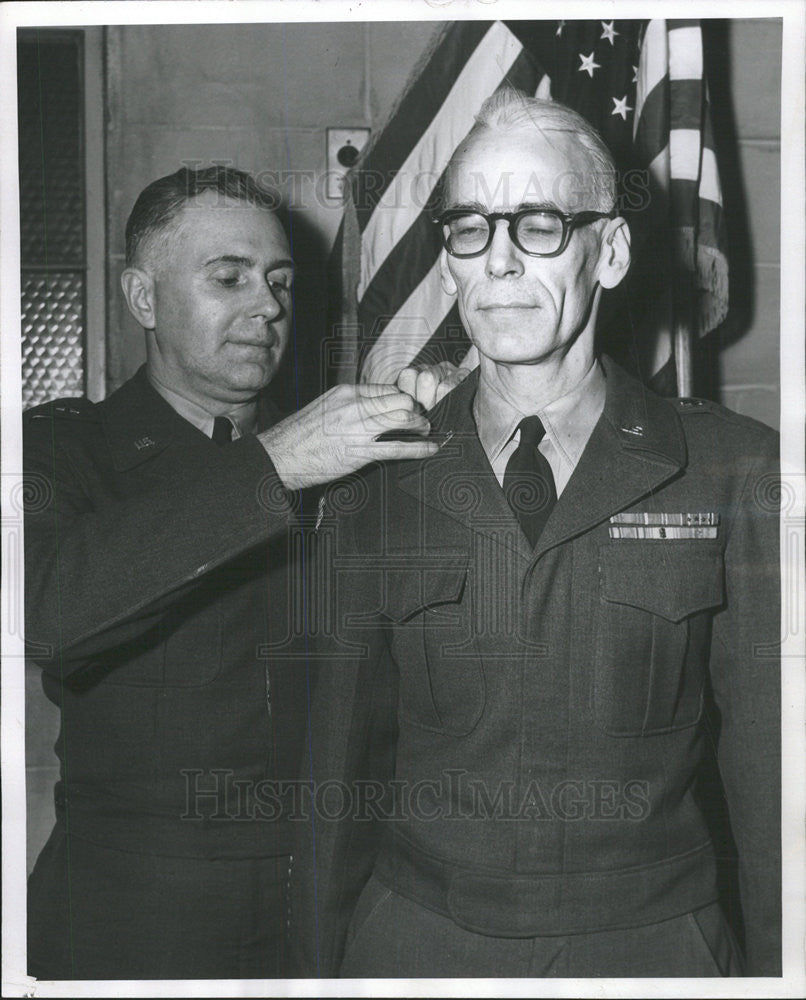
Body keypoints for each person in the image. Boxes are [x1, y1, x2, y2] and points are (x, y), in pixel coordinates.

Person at [293, 90, 781, 978]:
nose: (502, 262)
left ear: (614, 252)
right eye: (471, 229)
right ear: (447, 268)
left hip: (651, 946)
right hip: (418, 942)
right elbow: (338, 766)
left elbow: (776, 785)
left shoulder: (730, 470)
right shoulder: (379, 474)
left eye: (542, 223)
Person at [23, 166, 441, 980]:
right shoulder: (65, 449)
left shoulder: (343, 455)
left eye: (280, 281)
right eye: (230, 277)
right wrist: (273, 465)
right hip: (135, 908)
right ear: (143, 299)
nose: (269, 305)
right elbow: (46, 613)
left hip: (329, 901)